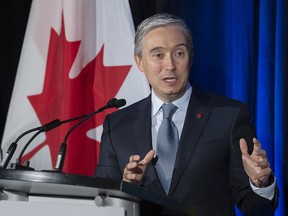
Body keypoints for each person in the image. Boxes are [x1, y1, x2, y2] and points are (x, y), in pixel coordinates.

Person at [95, 13, 279, 216]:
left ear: (190, 57)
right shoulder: (118, 125)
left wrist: (260, 183)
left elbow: (257, 209)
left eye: (179, 53)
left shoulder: (228, 117)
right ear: (139, 61)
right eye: (158, 55)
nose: (170, 65)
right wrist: (127, 187)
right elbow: (102, 202)